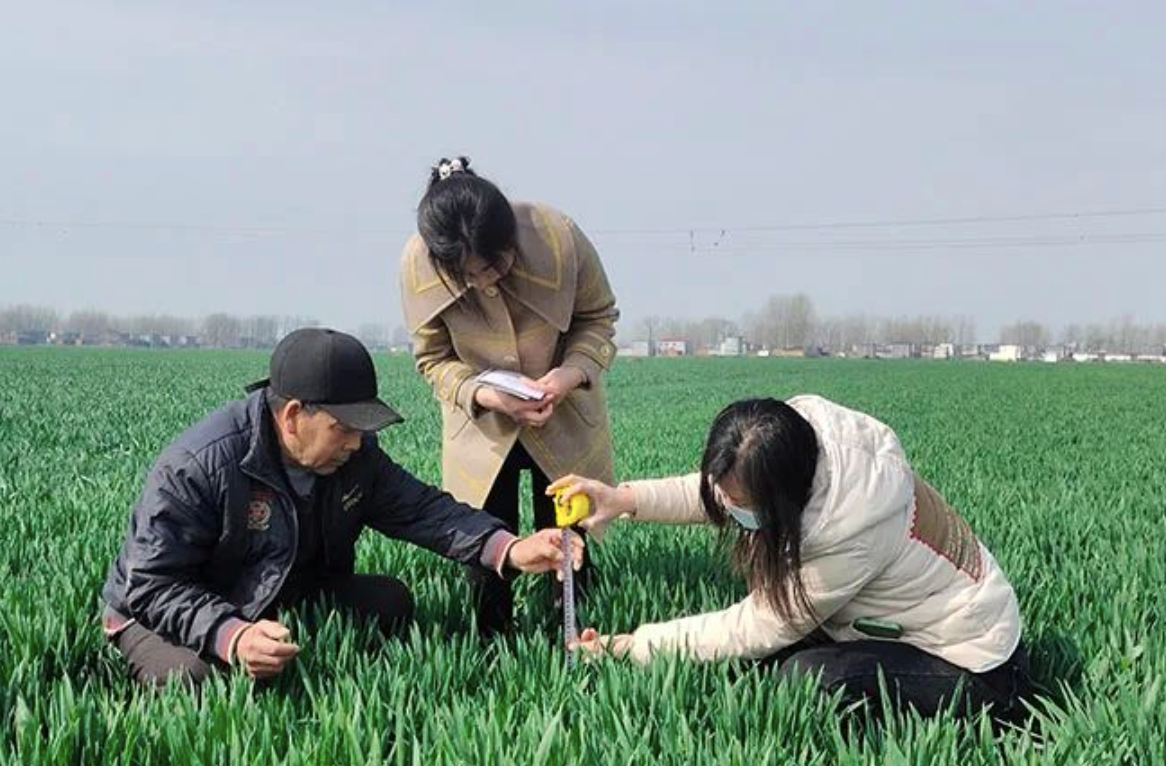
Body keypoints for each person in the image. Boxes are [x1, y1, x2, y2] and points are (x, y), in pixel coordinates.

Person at [101, 328, 582, 687]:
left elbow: (423, 510)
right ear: (293, 416)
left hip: (282, 591)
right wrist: (231, 634)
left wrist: (511, 549)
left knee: (390, 603)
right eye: (345, 427)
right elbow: (152, 584)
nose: (358, 442)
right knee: (195, 680)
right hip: (167, 610)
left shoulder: (354, 458)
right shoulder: (199, 466)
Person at [550, 395, 1032, 719]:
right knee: (745, 665)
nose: (728, 508)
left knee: (802, 680)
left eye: (744, 506)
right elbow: (725, 493)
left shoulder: (850, 531)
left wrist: (629, 645)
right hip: (909, 617)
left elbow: (752, 627)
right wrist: (623, 499)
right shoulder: (797, 444)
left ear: (782, 500)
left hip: (970, 662)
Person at [399, 156, 619, 636]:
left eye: (496, 265)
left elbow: (598, 317)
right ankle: (492, 642)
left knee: (568, 535)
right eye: (470, 276)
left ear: (510, 238)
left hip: (559, 414)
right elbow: (432, 358)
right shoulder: (417, 268)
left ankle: (575, 638)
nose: (487, 282)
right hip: (482, 427)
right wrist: (483, 394)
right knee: (484, 543)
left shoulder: (558, 237)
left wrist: (570, 374)